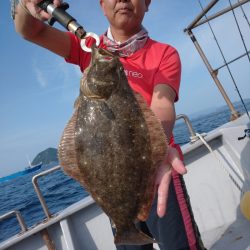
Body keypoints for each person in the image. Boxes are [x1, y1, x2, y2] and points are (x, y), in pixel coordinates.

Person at [14, 0, 206, 249]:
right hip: (113, 177)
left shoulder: (165, 53)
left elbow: (162, 104)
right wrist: (24, 4)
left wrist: (154, 150)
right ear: (102, 5)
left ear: (147, 3)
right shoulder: (89, 48)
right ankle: (125, 228)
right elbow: (30, 31)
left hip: (160, 168)